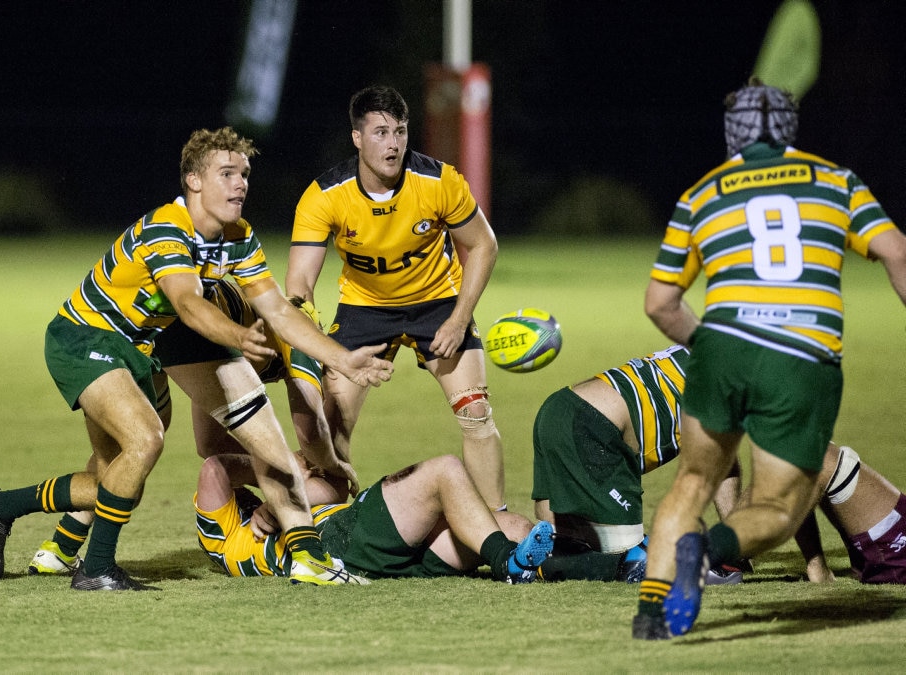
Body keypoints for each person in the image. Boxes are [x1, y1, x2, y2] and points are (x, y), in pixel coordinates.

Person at [0, 127, 393, 591]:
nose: (240, 184)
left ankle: (1, 507)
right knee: (146, 440)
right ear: (193, 180)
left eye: (245, 174)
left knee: (117, 476)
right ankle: (97, 569)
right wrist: (238, 338)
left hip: (147, 348)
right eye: (226, 173)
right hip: (86, 339)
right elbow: (188, 304)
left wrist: (346, 362)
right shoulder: (167, 229)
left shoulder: (238, 235)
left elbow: (277, 310)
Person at [631, 80, 906, 639]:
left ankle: (652, 615)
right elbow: (895, 250)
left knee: (692, 483)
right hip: (800, 357)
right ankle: (705, 550)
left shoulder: (700, 194)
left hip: (723, 349)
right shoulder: (835, 180)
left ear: (731, 133)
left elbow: (660, 304)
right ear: (790, 128)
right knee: (779, 509)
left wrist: (709, 346)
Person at [28, 281, 357, 575]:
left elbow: (209, 444)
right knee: (140, 448)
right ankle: (310, 560)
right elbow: (310, 432)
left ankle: (59, 548)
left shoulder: (245, 338)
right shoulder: (304, 336)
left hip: (153, 325)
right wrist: (330, 466)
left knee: (128, 448)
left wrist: (281, 470)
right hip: (184, 327)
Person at [285, 85, 506, 509]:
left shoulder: (439, 181)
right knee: (330, 429)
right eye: (381, 133)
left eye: (400, 132)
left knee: (476, 413)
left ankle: (498, 526)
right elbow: (299, 287)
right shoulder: (324, 195)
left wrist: (459, 318)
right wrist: (317, 343)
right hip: (365, 309)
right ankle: (331, 522)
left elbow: (483, 245)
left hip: (438, 303)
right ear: (357, 138)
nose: (393, 144)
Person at [531, 345, 906, 587]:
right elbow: (794, 471)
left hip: (561, 408)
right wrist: (816, 565)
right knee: (637, 565)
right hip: (597, 429)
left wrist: (736, 549)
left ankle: (531, 560)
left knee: (558, 539)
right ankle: (546, 566)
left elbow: (728, 466)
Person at [194, 451, 554, 583]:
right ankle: (509, 564)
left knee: (514, 528)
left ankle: (598, 566)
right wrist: (278, 471)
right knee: (443, 471)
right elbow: (214, 468)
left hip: (383, 555)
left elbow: (335, 487)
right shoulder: (226, 538)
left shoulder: (294, 506)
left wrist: (281, 494)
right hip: (341, 544)